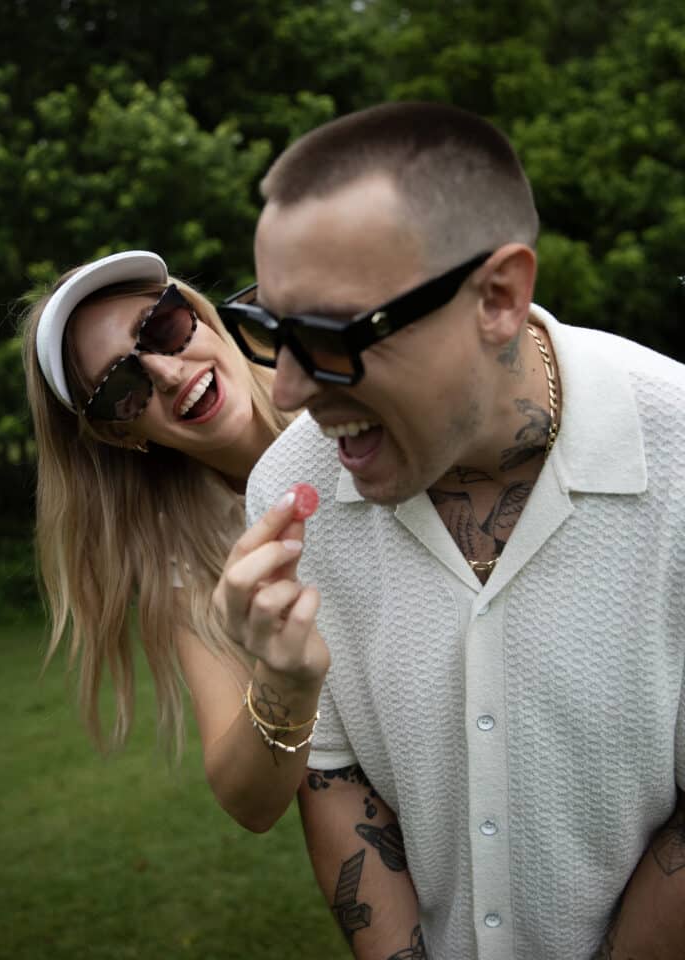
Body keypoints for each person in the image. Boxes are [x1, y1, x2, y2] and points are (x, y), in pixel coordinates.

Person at [215, 102, 685, 958]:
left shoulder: (681, 447)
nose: (282, 391)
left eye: (326, 335)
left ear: (499, 296)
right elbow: (336, 774)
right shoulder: (288, 487)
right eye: (271, 331)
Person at [20, 250, 329, 832]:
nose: (165, 371)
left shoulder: (333, 367)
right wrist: (284, 677)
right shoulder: (186, 557)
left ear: (198, 314)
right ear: (120, 434)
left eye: (161, 327)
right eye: (121, 388)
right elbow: (248, 801)